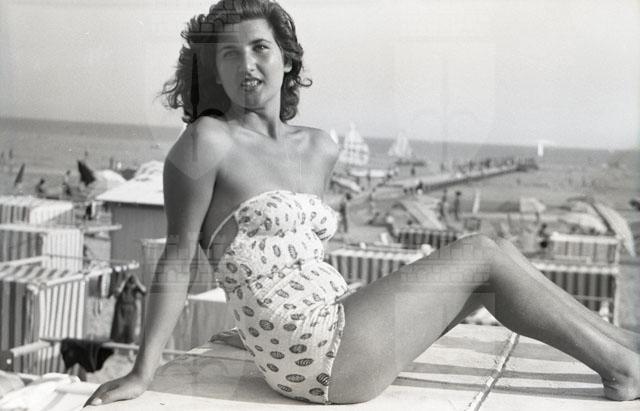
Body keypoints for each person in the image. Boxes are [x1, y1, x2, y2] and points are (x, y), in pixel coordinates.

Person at [86, 0, 640, 406]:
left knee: (490, 272)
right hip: (315, 349)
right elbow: (179, 256)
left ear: (287, 60)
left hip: (334, 321)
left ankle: (625, 345)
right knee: (483, 253)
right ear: (214, 70)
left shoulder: (319, 147)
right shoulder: (206, 142)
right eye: (229, 54)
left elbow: (293, 260)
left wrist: (250, 327)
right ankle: (621, 370)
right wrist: (143, 371)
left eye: (259, 48)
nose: (246, 64)